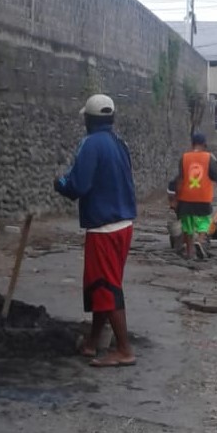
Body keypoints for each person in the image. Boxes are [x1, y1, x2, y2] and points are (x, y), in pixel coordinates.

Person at [54, 94, 137, 368]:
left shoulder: (91, 145)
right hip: (123, 223)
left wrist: (60, 183)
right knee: (102, 285)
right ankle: (92, 343)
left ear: (89, 119)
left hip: (104, 226)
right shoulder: (119, 143)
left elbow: (77, 185)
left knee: (106, 285)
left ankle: (124, 350)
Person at [174, 132, 217, 259]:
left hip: (185, 197)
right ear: (204, 144)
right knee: (204, 222)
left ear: (192, 144)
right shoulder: (209, 158)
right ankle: (200, 239)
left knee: (187, 225)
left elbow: (180, 180)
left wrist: (176, 197)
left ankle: (189, 252)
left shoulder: (184, 157)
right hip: (203, 198)